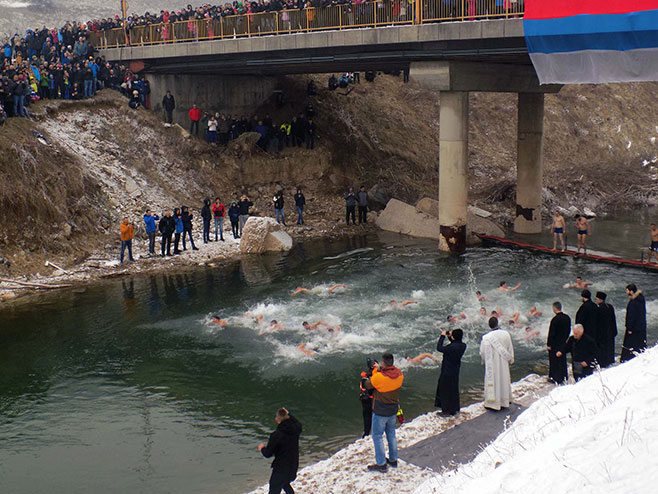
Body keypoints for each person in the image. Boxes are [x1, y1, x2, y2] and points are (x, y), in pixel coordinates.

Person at [365, 352, 404, 472]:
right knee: (391, 434)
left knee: (377, 436)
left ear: (383, 363)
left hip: (380, 411)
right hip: (393, 410)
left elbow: (368, 384)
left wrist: (376, 370)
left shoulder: (379, 377)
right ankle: (393, 460)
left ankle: (381, 464)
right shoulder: (400, 374)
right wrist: (380, 369)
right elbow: (389, 374)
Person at [258, 408, 302, 494]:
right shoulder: (296, 429)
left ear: (277, 419)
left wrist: (262, 448)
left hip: (281, 468)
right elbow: (297, 423)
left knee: (274, 487)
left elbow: (268, 453)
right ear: (288, 417)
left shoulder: (276, 435)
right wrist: (289, 414)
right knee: (285, 483)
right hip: (293, 466)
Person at [480, 317, 514, 411]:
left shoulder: (486, 337)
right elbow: (509, 348)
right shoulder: (506, 334)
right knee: (503, 379)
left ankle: (492, 403)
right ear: (497, 323)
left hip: (492, 363)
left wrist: (484, 360)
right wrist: (510, 359)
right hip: (503, 362)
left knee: (493, 381)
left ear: (489, 325)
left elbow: (482, 352)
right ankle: (505, 400)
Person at [435, 329, 467, 415]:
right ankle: (454, 409)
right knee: (453, 390)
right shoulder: (463, 345)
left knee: (444, 390)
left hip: (447, 371)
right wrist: (450, 336)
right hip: (455, 370)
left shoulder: (451, 347)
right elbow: (455, 342)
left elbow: (439, 348)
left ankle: (445, 411)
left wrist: (442, 336)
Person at [620, 283, 647, 362]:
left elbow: (631, 317)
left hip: (634, 328)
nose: (626, 292)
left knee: (630, 345)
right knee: (640, 345)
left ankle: (627, 359)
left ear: (631, 291)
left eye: (627, 291)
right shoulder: (641, 299)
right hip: (641, 326)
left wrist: (629, 328)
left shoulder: (633, 303)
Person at [546, 301, 570, 384]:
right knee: (563, 360)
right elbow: (568, 331)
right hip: (563, 342)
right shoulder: (567, 318)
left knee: (554, 361)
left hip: (555, 343)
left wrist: (549, 344)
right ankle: (564, 376)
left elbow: (551, 333)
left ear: (554, 308)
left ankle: (555, 378)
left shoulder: (555, 320)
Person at [595, 291, 617, 367]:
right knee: (610, 349)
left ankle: (603, 364)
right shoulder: (610, 307)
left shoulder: (598, 309)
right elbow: (613, 320)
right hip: (610, 332)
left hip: (602, 334)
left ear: (600, 299)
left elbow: (597, 323)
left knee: (602, 351)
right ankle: (610, 361)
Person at [359, 360, 375, 438]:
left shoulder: (364, 376)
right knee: (374, 417)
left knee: (367, 418)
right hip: (371, 400)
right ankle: (370, 433)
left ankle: (366, 434)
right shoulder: (373, 375)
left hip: (365, 399)